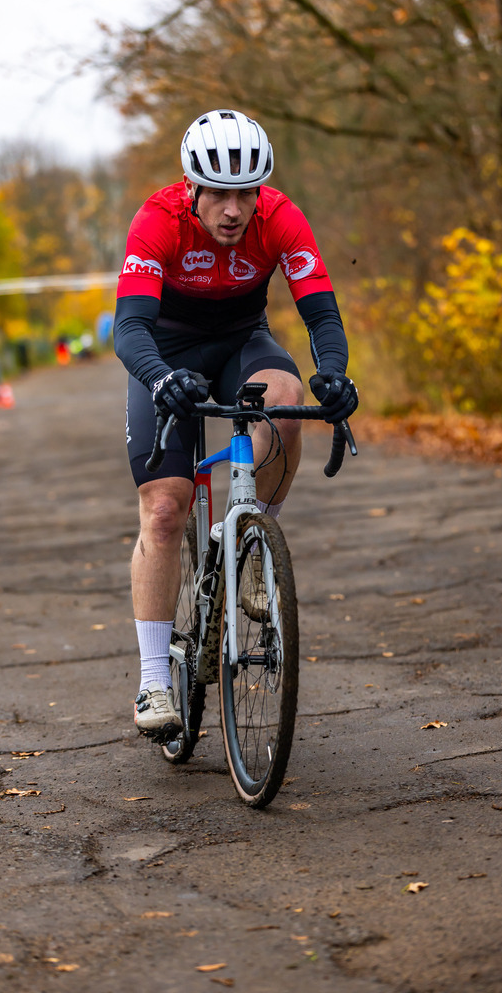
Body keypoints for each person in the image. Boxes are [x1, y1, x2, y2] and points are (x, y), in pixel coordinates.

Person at [113, 109, 358, 741]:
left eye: (246, 193)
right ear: (191, 188)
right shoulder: (158, 219)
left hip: (242, 342)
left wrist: (335, 373)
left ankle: (252, 539)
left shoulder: (281, 217)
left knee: (286, 398)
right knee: (164, 509)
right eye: (219, 194)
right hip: (165, 352)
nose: (233, 209)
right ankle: (153, 680)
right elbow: (129, 328)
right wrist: (160, 379)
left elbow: (321, 316)